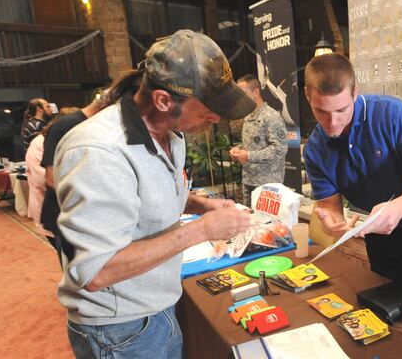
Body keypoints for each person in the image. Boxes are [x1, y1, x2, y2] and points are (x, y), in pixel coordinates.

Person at [54, 29, 256, 359]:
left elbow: (139, 196)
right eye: (208, 106)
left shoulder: (171, 136)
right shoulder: (98, 151)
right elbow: (96, 272)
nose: (216, 117)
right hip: (119, 328)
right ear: (164, 100)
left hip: (155, 308)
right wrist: (202, 230)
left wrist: (199, 204)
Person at [303, 53, 402, 302]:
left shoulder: (391, 114)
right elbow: (329, 209)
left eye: (341, 109)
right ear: (307, 96)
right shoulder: (314, 150)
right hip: (380, 239)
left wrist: (399, 207)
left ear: (355, 93)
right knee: (388, 309)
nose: (332, 123)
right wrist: (331, 223)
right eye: (321, 111)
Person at [40, 94, 107, 265]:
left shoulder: (89, 125)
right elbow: (51, 179)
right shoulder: (65, 126)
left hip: (85, 217)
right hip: (67, 217)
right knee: (79, 272)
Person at [229, 74, 288, 205]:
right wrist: (238, 150)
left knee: (267, 224)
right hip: (248, 180)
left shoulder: (271, 116)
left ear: (256, 92)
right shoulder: (248, 116)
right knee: (249, 222)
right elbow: (251, 143)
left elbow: (279, 150)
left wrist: (249, 156)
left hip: (267, 184)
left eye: (243, 93)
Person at [24, 107, 78, 235]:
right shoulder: (39, 142)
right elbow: (43, 179)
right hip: (51, 206)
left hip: (72, 210)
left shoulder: (71, 140)